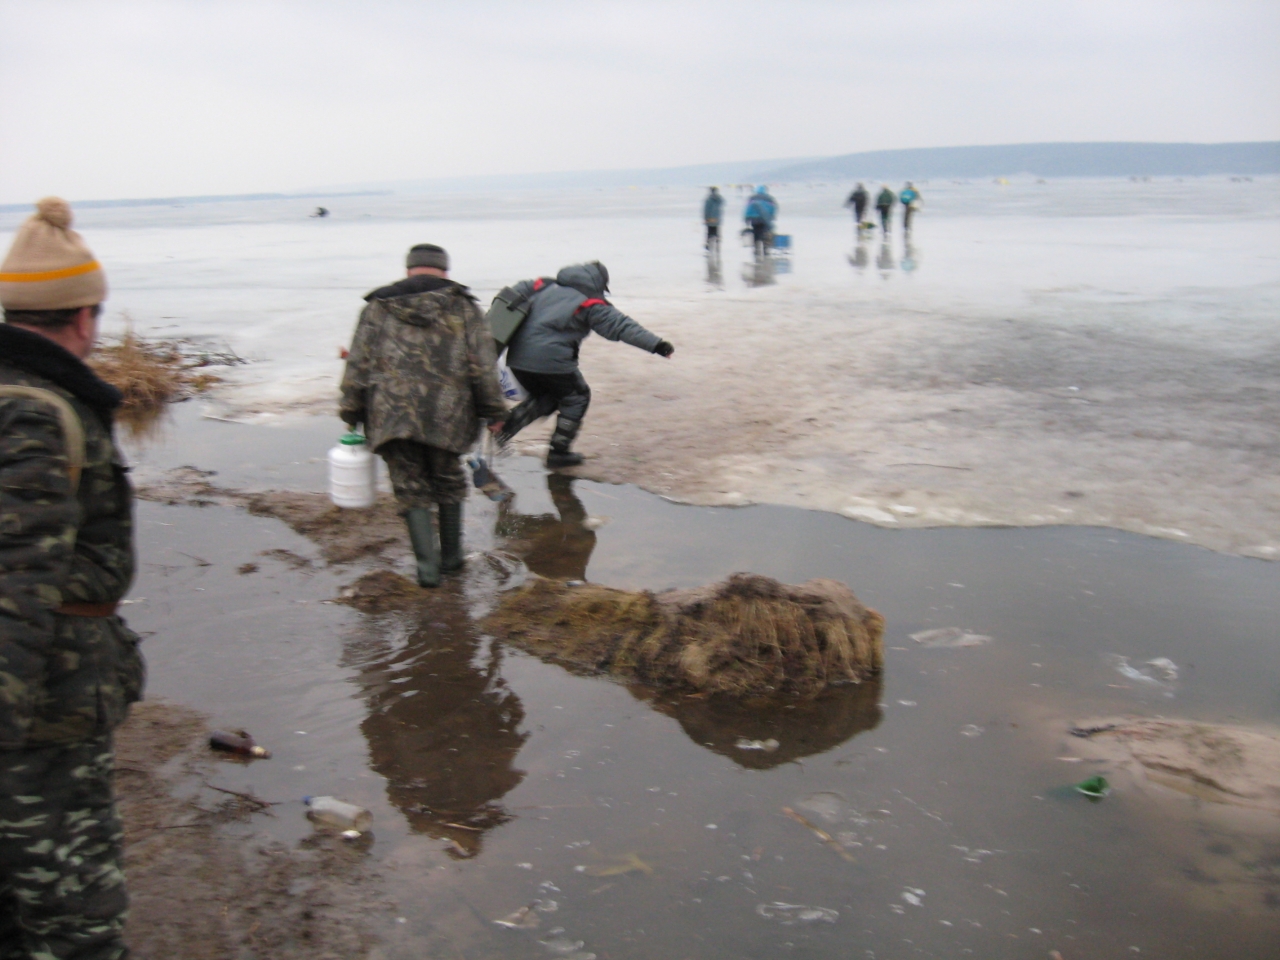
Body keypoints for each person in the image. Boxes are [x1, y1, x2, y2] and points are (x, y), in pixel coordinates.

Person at [0, 197, 145, 960]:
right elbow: (15, 582)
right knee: (73, 920)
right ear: (84, 316)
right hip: (40, 712)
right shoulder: (36, 413)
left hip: (36, 700)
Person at [339, 243, 507, 588]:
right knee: (448, 482)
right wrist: (493, 411)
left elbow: (358, 363)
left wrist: (351, 409)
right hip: (449, 414)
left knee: (409, 488)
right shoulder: (463, 307)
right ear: (444, 271)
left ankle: (427, 573)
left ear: (408, 270)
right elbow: (483, 367)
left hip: (391, 415)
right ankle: (452, 561)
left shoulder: (377, 307)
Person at [496, 262, 673, 468]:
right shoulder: (590, 301)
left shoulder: (543, 286)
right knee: (577, 396)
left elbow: (509, 295)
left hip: (517, 357)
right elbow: (620, 325)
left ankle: (504, 428)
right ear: (598, 283)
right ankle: (558, 453)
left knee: (550, 396)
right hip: (549, 359)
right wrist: (657, 345)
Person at [743, 185, 778, 256]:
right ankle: (765, 249)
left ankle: (756, 249)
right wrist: (772, 216)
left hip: (754, 219)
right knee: (765, 233)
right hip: (765, 219)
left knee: (755, 233)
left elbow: (748, 209)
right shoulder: (769, 198)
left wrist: (746, 218)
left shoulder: (752, 198)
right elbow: (774, 208)